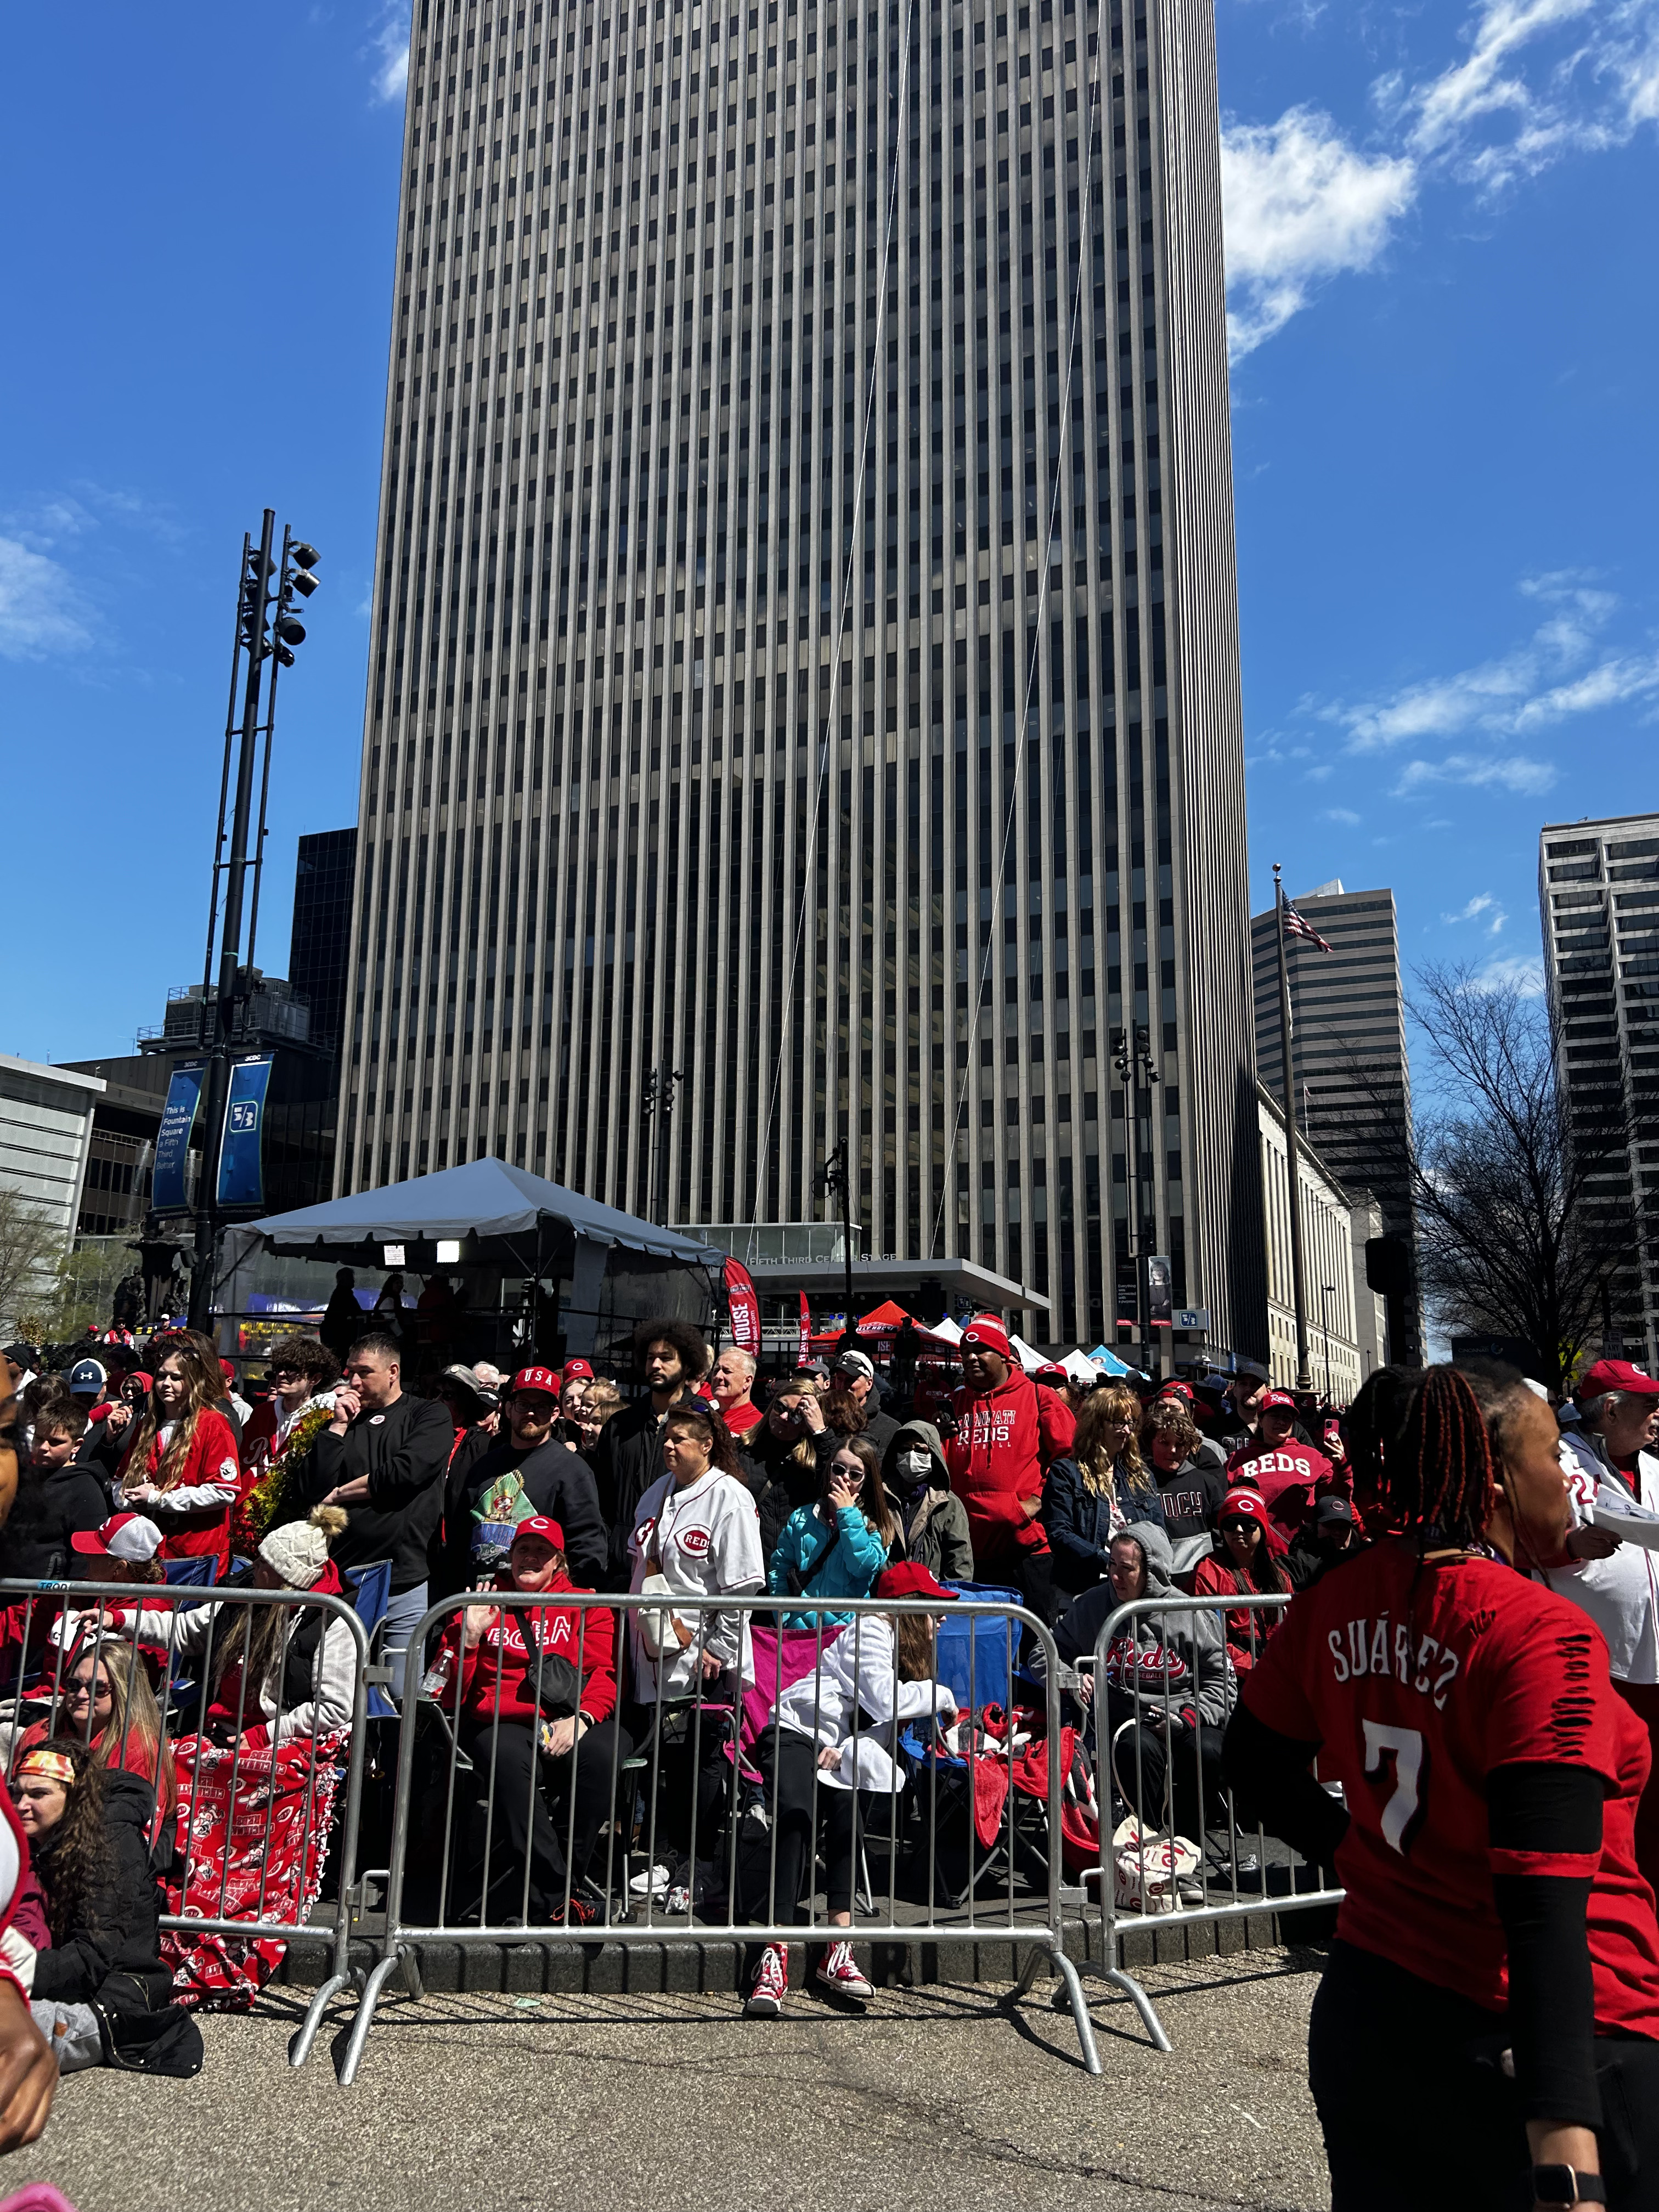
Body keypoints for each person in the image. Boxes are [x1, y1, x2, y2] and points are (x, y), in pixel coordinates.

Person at [1226, 1362, 1659, 2210]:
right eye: (1551, 1459)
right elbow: (1543, 1906)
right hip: (1551, 2034)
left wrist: (1353, 1854)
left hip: (1374, 2011)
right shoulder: (1541, 1634)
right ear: (1498, 1477)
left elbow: (1253, 1762)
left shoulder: (1338, 1597)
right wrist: (1565, 2148)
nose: (1567, 1483)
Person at [740, 1560, 960, 2016]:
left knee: (848, 1802)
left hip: (832, 1743)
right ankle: (773, 1950)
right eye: (934, 1607)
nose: (942, 1618)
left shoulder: (903, 1650)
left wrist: (848, 1747)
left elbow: (877, 1728)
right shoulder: (872, 1630)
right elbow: (883, 1700)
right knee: (797, 1812)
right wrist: (940, 1695)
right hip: (793, 1730)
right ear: (906, 1608)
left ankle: (839, 1945)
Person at [428, 1515, 627, 1926]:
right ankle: (560, 1896)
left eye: (542, 1552)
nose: (531, 1559)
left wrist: (584, 1719)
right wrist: (468, 1638)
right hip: (502, 1722)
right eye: (523, 1550)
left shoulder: (586, 1602)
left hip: (570, 1716)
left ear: (559, 1562)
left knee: (605, 1752)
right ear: (510, 1557)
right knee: (504, 1758)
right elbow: (449, 1695)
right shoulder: (480, 1602)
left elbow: (604, 1675)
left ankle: (551, 1893)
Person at [625, 1404, 764, 1906]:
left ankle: (700, 1866)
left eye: (681, 1438)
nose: (669, 1445)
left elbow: (740, 1586)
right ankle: (665, 1858)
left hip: (702, 1654)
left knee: (700, 1761)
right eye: (667, 1435)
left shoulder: (730, 1496)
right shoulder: (654, 1495)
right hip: (652, 1649)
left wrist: (720, 1648)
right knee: (663, 1761)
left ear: (707, 1445)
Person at [1542, 1357, 1659, 1894]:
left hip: (1654, 1664)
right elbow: (1508, 1540)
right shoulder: (1555, 1465)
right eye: (1647, 1404)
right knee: (1605, 1798)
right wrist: (1564, 1545)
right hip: (1594, 1663)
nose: (1657, 1414)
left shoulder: (1654, 1465)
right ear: (1611, 1411)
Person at [286, 1331, 453, 1697]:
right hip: (340, 1584)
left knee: (397, 1693)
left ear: (393, 1371)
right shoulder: (339, 1420)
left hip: (403, 1581)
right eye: (351, 1373)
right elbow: (311, 1490)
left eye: (365, 1372)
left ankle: (393, 1756)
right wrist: (339, 1426)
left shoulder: (428, 1414)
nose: (354, 1382)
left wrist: (342, 1492)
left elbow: (405, 1472)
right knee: (332, 1690)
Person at [1056, 1523, 1236, 1847]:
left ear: (1151, 1571)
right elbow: (1045, 1650)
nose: (1115, 1577)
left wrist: (1186, 1720)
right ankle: (1150, 1845)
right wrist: (1070, 1677)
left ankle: (1187, 1845)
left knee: (1207, 1750)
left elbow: (1222, 1680)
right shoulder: (1095, 1606)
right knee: (1137, 1747)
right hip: (1124, 1719)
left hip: (1186, 1715)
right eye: (1112, 1565)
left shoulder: (1187, 1612)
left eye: (1126, 1569)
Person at [13, 1737, 176, 2071]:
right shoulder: (35, 1842)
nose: (21, 1805)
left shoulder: (110, 1845)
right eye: (17, 1792)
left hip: (113, 2002)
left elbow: (94, 1956)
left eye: (39, 1794)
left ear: (73, 1799)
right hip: (58, 1987)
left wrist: (18, 1974)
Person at [433, 1364, 606, 1601]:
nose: (531, 1413)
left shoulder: (572, 1470)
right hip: (478, 1607)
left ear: (555, 1414)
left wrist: (568, 1603)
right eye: (524, 1405)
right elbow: (459, 1541)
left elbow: (586, 1546)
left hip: (541, 1610)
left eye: (542, 1407)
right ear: (508, 1409)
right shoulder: (483, 1467)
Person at [943, 1314, 1074, 1626]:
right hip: (968, 1550)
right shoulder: (953, 1404)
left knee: (1034, 1647)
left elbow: (1070, 1461)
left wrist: (1035, 1503)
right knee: (979, 1651)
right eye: (966, 1352)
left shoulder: (1039, 1398)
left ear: (1003, 1354)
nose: (971, 1358)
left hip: (1026, 1550)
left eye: (982, 1350)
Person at [591, 1320, 710, 1589]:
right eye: (650, 1358)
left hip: (679, 1571)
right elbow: (600, 1498)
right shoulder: (619, 1425)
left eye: (666, 1358)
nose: (656, 1365)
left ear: (688, 1364)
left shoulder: (705, 1425)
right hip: (619, 1567)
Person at [115, 1338, 240, 1575]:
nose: (166, 1384)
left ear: (193, 1381)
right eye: (162, 1376)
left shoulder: (213, 1424)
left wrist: (157, 1498)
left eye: (176, 1378)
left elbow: (224, 1491)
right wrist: (129, 1496)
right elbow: (117, 1483)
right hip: (149, 1555)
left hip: (195, 1557)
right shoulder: (147, 1425)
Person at [1042, 1385, 1166, 1600]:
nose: (1127, 1431)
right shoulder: (1066, 1473)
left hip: (1136, 1589)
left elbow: (1158, 1532)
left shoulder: (1140, 1474)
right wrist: (1109, 1562)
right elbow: (1059, 1533)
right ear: (1096, 1425)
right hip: (1083, 1589)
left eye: (1130, 1423)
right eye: (1119, 1422)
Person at [767, 1434, 895, 1630]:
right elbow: (780, 1568)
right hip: (800, 1631)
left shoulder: (876, 1525)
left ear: (866, 1481)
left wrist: (848, 1514)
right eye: (839, 1469)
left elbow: (861, 1567)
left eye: (855, 1474)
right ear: (829, 1471)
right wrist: (783, 1618)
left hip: (849, 1633)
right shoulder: (802, 1517)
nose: (844, 1477)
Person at [0, 1402, 108, 1581]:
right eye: (39, 1438)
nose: (43, 1447)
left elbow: (85, 1557)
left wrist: (72, 1604)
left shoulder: (85, 1488)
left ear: (77, 1445)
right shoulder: (21, 1475)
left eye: (55, 1442)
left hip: (45, 1599)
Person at [740, 1379, 843, 1562]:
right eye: (780, 1407)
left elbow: (837, 1482)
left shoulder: (812, 1465)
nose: (784, 1417)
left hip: (793, 1569)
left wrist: (821, 1431)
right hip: (746, 1563)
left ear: (807, 1424)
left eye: (796, 1416)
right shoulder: (741, 1451)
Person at [1191, 1487, 1290, 1674]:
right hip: (1233, 1673)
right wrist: (1255, 1668)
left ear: (1262, 1528)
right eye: (1230, 1523)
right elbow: (1212, 1638)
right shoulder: (1209, 1570)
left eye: (1248, 1523)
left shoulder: (1279, 1576)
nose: (1238, 1530)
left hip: (1275, 1669)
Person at [881, 1419, 974, 1584]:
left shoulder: (948, 1504)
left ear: (934, 1454)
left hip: (931, 1602)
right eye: (904, 1449)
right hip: (886, 1599)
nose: (911, 1455)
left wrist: (947, 1605)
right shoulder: (881, 1498)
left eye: (920, 1449)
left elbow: (960, 1565)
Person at [1139, 1396, 1227, 1550]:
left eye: (1180, 1444)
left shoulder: (1206, 1483)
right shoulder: (1139, 1482)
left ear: (1189, 1447)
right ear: (1151, 1443)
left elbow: (1222, 1532)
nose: (1172, 1450)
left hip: (1201, 1571)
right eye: (1164, 1443)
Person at [1284, 1492, 1365, 1590]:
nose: (1337, 1532)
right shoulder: (1298, 1565)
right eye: (1330, 1525)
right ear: (1315, 1527)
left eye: (1343, 1528)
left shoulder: (1363, 1563)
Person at [833, 1348, 899, 1456]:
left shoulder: (890, 1429)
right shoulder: (825, 1421)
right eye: (839, 1379)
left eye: (851, 1380)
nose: (843, 1385)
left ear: (869, 1384)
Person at [707, 1347, 764, 1439]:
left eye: (727, 1371)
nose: (718, 1376)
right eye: (716, 1371)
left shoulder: (755, 1425)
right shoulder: (707, 1417)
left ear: (747, 1381)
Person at [319, 1268, 363, 1362]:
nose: (353, 1281)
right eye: (351, 1278)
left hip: (336, 1335)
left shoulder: (341, 1293)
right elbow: (357, 1312)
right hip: (340, 1336)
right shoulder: (344, 1295)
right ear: (345, 1280)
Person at [369, 1271, 407, 1345]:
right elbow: (390, 1318)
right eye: (397, 1283)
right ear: (391, 1284)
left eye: (401, 1283)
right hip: (387, 1335)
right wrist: (400, 1335)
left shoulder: (394, 1297)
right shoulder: (388, 1299)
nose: (400, 1285)